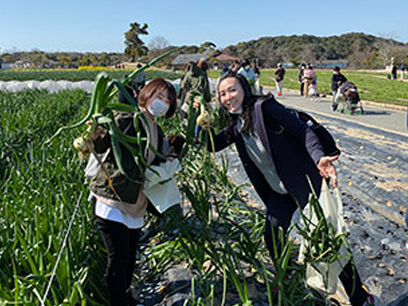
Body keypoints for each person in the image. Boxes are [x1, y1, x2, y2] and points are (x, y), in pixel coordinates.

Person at [202, 72, 379, 306]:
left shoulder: (264, 108)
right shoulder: (236, 124)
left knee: (327, 242)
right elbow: (211, 146)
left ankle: (361, 298)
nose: (227, 97)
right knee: (272, 234)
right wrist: (200, 123)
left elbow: (302, 131)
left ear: (244, 89)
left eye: (232, 90)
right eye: (222, 93)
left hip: (304, 183)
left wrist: (319, 158)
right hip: (280, 191)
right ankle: (286, 278)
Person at [89, 78, 180, 306]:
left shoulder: (156, 131)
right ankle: (119, 302)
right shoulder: (126, 119)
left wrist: (173, 153)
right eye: (158, 97)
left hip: (136, 203)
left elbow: (156, 166)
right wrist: (96, 132)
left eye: (167, 101)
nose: (162, 103)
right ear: (146, 95)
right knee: (118, 260)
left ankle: (126, 297)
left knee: (129, 259)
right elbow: (101, 147)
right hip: (112, 199)